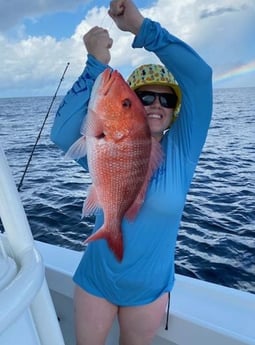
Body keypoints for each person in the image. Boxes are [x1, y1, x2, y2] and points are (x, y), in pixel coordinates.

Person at [51, 0, 213, 344]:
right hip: (97, 279)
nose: (156, 105)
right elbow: (61, 134)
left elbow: (200, 78)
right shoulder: (108, 144)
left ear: (175, 110)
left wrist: (142, 27)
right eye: (144, 98)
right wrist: (95, 64)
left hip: (149, 290)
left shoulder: (182, 151)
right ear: (134, 104)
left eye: (166, 99)